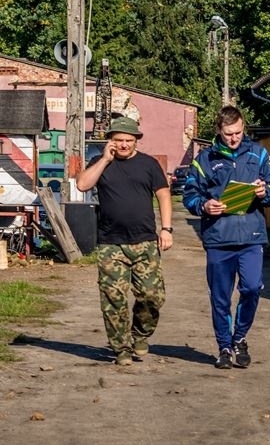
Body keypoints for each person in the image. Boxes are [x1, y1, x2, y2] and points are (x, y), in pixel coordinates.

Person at [182, 106, 270, 369]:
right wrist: (204, 206)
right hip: (219, 238)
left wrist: (263, 192)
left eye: (237, 133)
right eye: (228, 134)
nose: (234, 138)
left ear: (243, 127)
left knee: (251, 288)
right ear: (219, 131)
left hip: (252, 237)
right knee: (220, 297)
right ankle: (224, 346)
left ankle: (240, 338)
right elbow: (189, 195)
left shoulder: (259, 154)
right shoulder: (204, 159)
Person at [76, 116, 173, 366]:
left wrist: (166, 228)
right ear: (110, 141)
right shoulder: (100, 162)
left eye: (129, 140)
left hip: (145, 242)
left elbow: (163, 195)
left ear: (136, 141)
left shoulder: (148, 164)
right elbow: (82, 184)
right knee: (113, 299)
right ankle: (121, 348)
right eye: (118, 140)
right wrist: (105, 160)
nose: (124, 145)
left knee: (152, 296)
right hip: (111, 244)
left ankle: (140, 335)